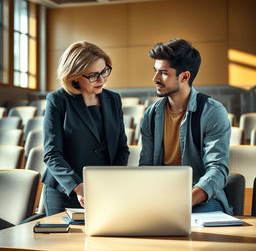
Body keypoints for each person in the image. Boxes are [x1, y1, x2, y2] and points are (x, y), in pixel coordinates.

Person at [139, 38, 233, 214]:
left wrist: (183, 201)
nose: (155, 78)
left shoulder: (213, 112)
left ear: (184, 76)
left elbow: (217, 170)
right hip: (161, 198)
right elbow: (145, 167)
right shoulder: (151, 115)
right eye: (155, 71)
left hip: (199, 200)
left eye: (163, 73)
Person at [42, 41, 129, 216]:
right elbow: (51, 154)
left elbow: (121, 149)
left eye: (104, 71)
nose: (102, 79)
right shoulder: (58, 100)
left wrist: (110, 182)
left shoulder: (113, 99)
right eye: (93, 75)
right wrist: (78, 187)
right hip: (65, 191)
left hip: (103, 190)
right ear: (74, 76)